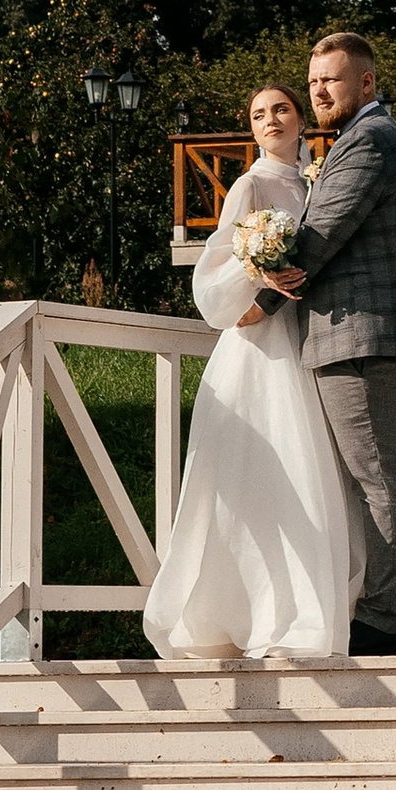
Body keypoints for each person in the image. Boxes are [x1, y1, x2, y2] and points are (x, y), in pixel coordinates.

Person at [142, 81, 356, 665]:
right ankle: (248, 610)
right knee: (263, 469)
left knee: (310, 467)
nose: (271, 120)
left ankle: (306, 607)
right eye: (259, 114)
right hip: (261, 343)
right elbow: (216, 271)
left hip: (312, 336)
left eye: (281, 109)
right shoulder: (251, 184)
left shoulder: (321, 180)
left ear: (301, 120)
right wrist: (261, 279)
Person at [253, 28, 396, 657]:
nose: (319, 90)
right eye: (312, 82)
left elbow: (317, 239)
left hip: (362, 332)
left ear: (365, 82)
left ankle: (383, 621)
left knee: (375, 478)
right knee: (370, 477)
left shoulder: (370, 141)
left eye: (330, 80)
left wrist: (251, 305)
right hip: (359, 332)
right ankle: (391, 617)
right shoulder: (358, 140)